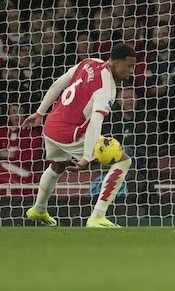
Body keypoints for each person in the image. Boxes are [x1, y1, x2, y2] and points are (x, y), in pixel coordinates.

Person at [22, 43, 137, 228]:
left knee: (58, 165)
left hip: (50, 127)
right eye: (129, 65)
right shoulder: (106, 89)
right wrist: (87, 156)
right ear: (116, 62)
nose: (132, 70)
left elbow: (58, 83)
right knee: (123, 161)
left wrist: (40, 113)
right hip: (69, 133)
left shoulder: (89, 62)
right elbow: (95, 122)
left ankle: (39, 209)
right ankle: (97, 216)